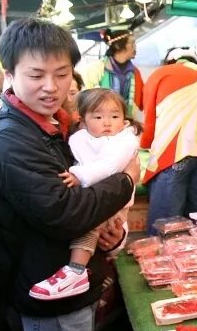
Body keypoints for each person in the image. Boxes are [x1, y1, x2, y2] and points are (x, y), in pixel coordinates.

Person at [0, 19, 135, 331]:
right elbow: (65, 212)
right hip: (48, 303)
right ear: (10, 73)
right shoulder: (9, 139)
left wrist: (114, 229)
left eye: (61, 74)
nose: (51, 87)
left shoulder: (50, 126)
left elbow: (83, 194)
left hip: (61, 293)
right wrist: (126, 178)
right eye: (36, 75)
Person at [29, 88, 140, 301]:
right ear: (83, 119)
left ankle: (76, 270)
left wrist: (79, 175)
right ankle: (96, 273)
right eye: (98, 117)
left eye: (115, 116)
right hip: (99, 198)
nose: (107, 123)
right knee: (97, 232)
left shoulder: (123, 141)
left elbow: (109, 166)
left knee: (92, 227)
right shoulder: (80, 137)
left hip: (113, 203)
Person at [141, 47, 197, 235]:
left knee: (166, 224)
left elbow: (149, 119)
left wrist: (145, 145)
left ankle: (162, 261)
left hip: (174, 152)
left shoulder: (161, 74)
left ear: (169, 61)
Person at [83, 29, 143, 116]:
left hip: (127, 122)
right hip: (101, 121)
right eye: (132, 44)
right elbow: (86, 99)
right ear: (119, 46)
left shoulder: (135, 72)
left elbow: (143, 100)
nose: (135, 48)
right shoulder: (96, 69)